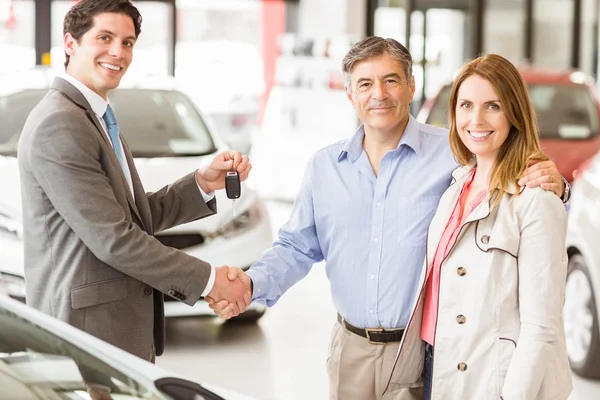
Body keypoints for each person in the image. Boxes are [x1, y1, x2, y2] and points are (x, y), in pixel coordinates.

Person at [208, 37, 568, 400]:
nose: (379, 93)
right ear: (349, 95)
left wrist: (558, 187)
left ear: (411, 86)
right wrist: (252, 284)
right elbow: (296, 247)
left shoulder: (456, 153)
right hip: (351, 347)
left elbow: (516, 197)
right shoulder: (324, 167)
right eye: (365, 83)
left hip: (422, 353)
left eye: (391, 80)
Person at [17, 0, 251, 363]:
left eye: (127, 42)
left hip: (109, 328)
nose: (118, 52)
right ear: (70, 43)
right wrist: (209, 280)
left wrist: (203, 182)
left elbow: (131, 217)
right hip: (83, 334)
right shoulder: (60, 124)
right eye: (105, 37)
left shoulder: (96, 117)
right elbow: (115, 240)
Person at [388, 54, 572, 400]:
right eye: (466, 105)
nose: (476, 119)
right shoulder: (456, 186)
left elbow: (542, 328)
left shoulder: (535, 199)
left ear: (514, 113)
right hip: (437, 365)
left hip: (491, 381)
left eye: (493, 106)